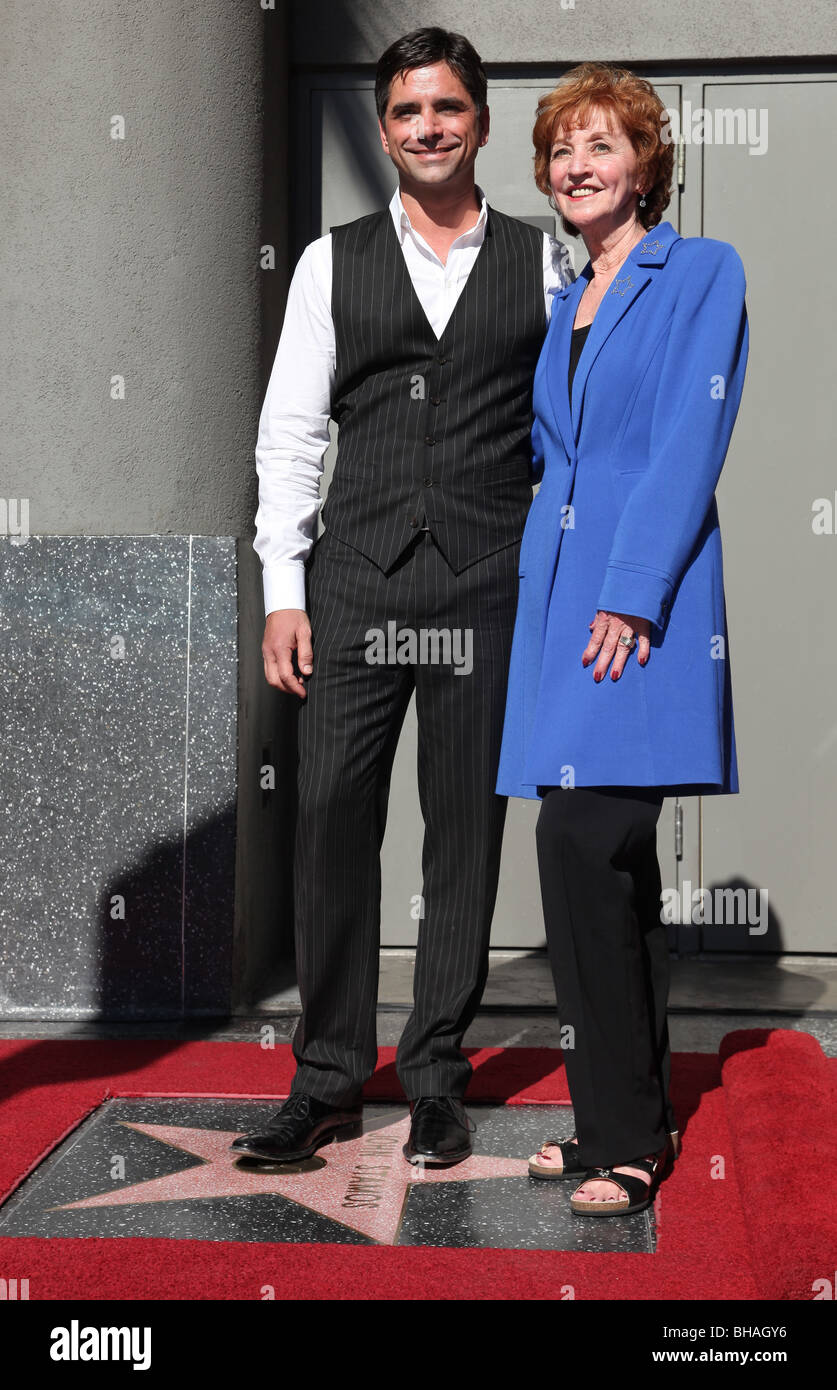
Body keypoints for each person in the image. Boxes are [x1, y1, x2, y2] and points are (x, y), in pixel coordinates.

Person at [232, 28, 573, 1169]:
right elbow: (289, 434)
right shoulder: (333, 262)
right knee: (330, 821)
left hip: (486, 582)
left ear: (478, 119)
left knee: (464, 838)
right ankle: (328, 1077)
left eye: (446, 108)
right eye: (404, 113)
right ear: (383, 131)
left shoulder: (544, 263)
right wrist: (285, 589)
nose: (426, 128)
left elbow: (571, 435)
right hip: (356, 584)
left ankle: (434, 1075)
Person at [496, 62, 748, 1215]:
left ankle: (624, 1138)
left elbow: (688, 447)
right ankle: (621, 1118)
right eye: (561, 150)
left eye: (602, 144)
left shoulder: (699, 271)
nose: (578, 166)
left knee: (585, 844)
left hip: (640, 601)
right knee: (613, 864)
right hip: (562, 598)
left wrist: (635, 590)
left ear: (646, 161)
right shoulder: (570, 295)